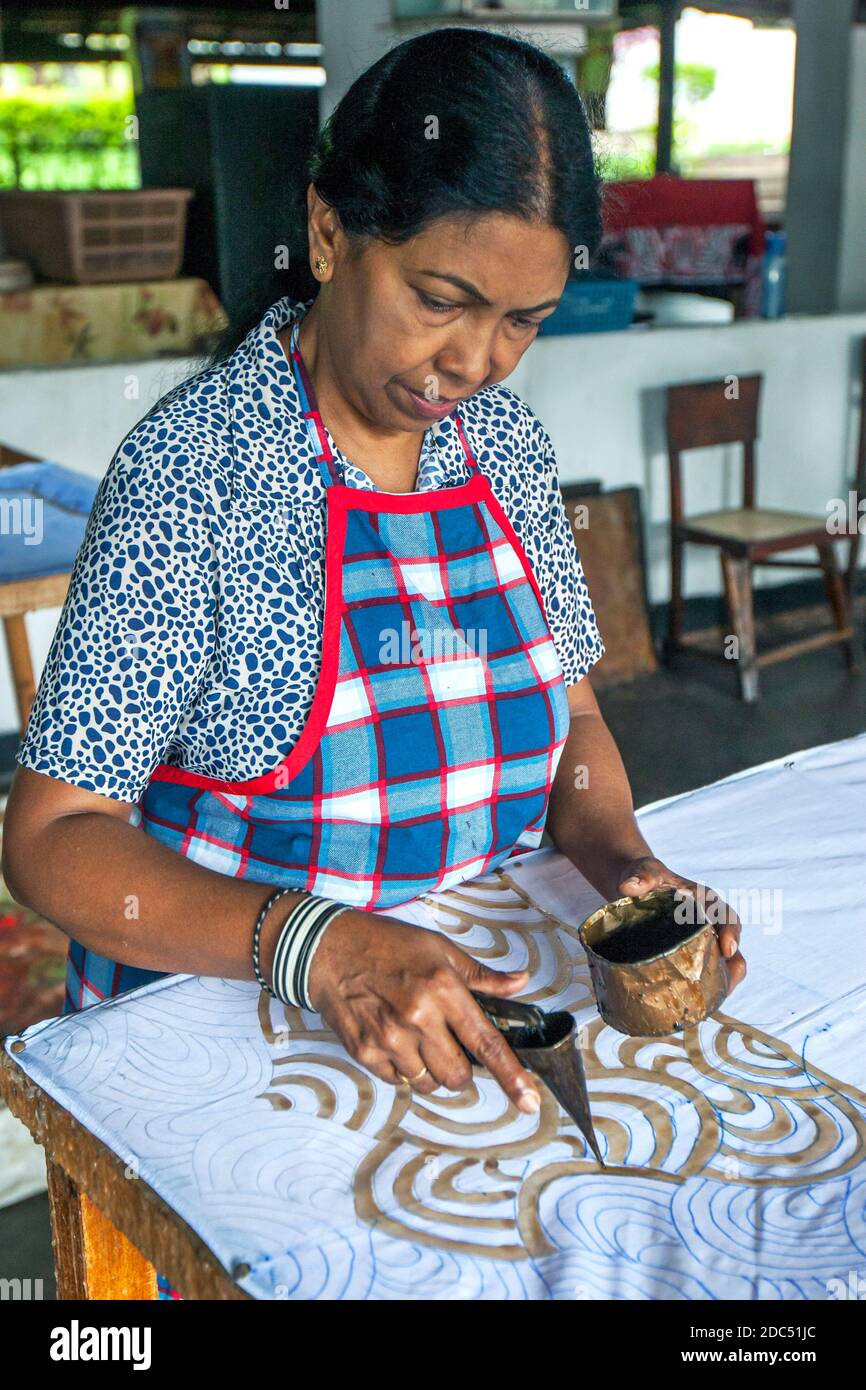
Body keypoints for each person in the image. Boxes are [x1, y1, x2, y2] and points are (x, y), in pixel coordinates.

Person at [2, 27, 745, 1294]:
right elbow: (52, 833)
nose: (473, 362)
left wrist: (630, 878)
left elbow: (567, 720)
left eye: (523, 320)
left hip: (476, 1027)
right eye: (442, 301)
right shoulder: (202, 473)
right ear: (333, 231)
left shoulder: (502, 447)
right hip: (240, 1033)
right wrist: (325, 950)